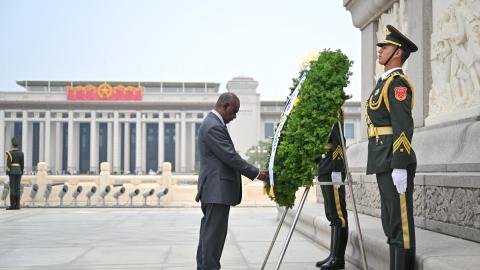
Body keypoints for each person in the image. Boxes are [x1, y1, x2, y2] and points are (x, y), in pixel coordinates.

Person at [195, 92, 269, 270]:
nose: (235, 116)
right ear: (224, 106)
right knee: (214, 237)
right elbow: (230, 157)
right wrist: (257, 173)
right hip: (216, 190)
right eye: (234, 111)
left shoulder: (213, 124)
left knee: (209, 236)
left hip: (215, 190)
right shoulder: (213, 126)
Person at [366, 25, 418, 270]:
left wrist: (400, 165)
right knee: (390, 221)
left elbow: (403, 127)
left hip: (393, 159)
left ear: (398, 53)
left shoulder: (397, 84)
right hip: (381, 157)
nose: (380, 51)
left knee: (400, 224)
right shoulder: (383, 83)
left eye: (384, 47)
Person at [315, 111, 348, 270]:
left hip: (332, 167)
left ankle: (338, 258)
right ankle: (333, 254)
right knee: (331, 213)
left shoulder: (333, 109)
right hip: (325, 166)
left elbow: (339, 141)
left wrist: (337, 168)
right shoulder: (321, 108)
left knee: (338, 215)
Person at [5, 137, 24, 210]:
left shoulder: (10, 153)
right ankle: (18, 205)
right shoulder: (21, 153)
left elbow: (8, 164)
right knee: (18, 188)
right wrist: (21, 172)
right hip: (19, 171)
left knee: (12, 188)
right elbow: (22, 164)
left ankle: (13, 205)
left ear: (12, 145)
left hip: (12, 171)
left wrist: (7, 172)